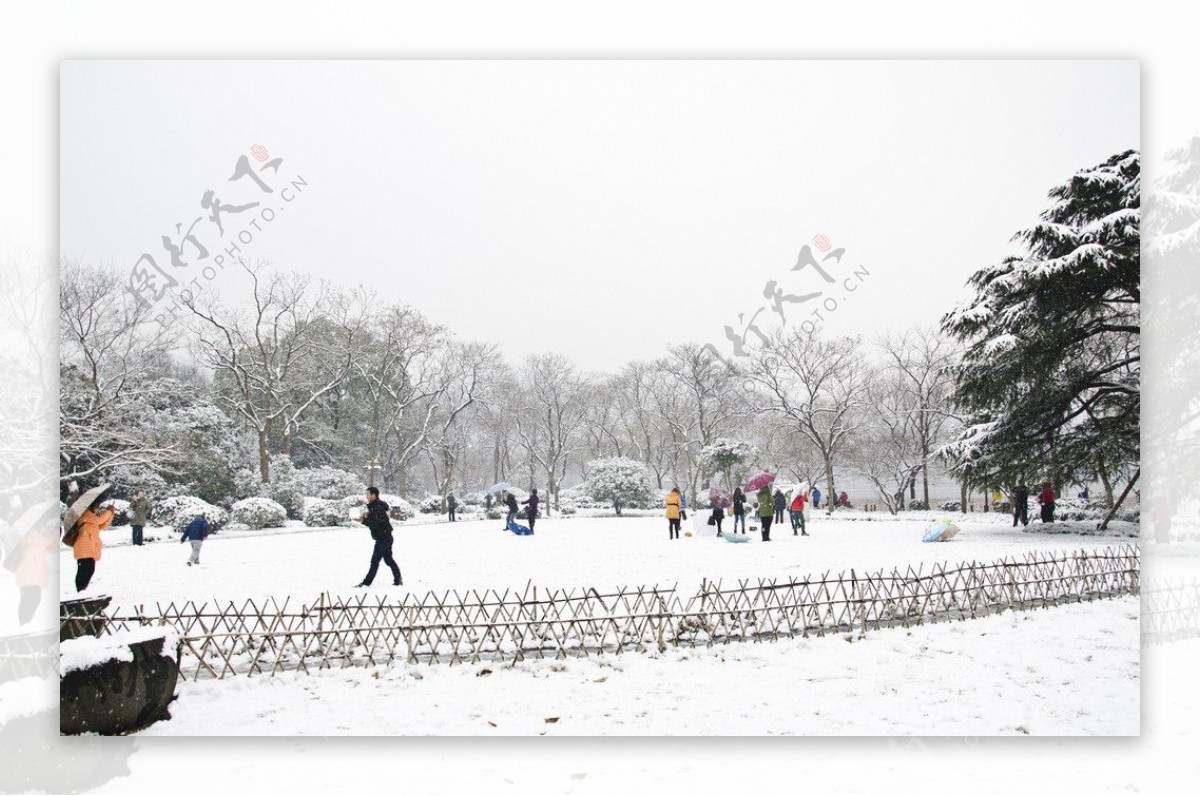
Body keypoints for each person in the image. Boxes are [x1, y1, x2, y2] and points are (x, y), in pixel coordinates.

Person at [357, 486, 403, 587]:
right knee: (388, 560)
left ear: (374, 495)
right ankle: (398, 579)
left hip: (383, 538)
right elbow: (376, 521)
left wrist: (364, 520)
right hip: (386, 537)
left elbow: (375, 524)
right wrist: (367, 517)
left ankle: (366, 583)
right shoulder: (375, 507)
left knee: (375, 561)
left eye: (368, 494)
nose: (366, 496)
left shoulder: (377, 508)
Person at [72, 493, 114, 592]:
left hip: (89, 547)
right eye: (96, 505)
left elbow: (101, 525)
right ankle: (80, 589)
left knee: (87, 570)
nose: (98, 507)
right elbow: (99, 520)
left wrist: (111, 514)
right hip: (84, 547)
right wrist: (109, 511)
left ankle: (81, 589)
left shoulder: (91, 516)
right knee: (85, 571)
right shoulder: (84, 514)